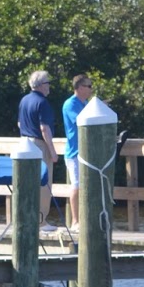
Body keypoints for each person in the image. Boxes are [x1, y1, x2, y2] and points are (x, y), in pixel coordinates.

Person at [17, 69, 57, 227]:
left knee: (27, 184)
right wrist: (52, 152)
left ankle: (27, 219)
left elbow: (19, 123)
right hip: (39, 145)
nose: (49, 86)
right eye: (48, 83)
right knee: (43, 185)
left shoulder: (24, 100)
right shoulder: (42, 102)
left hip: (25, 144)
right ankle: (41, 222)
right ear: (41, 85)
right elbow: (44, 128)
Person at [61, 74, 93, 230]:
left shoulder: (85, 103)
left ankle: (86, 219)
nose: (91, 89)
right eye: (89, 86)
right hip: (74, 152)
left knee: (87, 185)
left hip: (87, 152)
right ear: (80, 88)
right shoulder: (70, 104)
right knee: (77, 185)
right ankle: (75, 221)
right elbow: (81, 120)